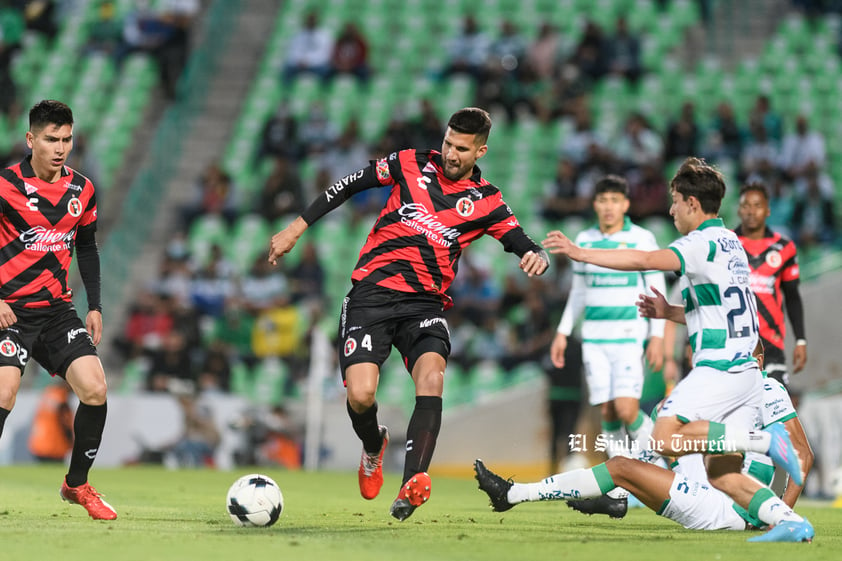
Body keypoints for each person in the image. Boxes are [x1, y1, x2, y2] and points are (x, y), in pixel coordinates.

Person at [268, 107, 549, 521]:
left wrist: (533, 253)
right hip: (371, 295)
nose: (451, 153)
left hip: (424, 304)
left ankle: (410, 483)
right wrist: (296, 227)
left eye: (462, 149)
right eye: (449, 143)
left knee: (432, 378)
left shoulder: (486, 201)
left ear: (481, 151)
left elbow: (518, 238)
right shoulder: (409, 162)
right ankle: (372, 445)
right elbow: (348, 185)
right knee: (361, 395)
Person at [541, 157, 813, 542]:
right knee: (721, 473)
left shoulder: (698, 242)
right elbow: (724, 306)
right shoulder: (732, 242)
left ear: (692, 204)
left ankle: (767, 442)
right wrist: (670, 313)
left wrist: (581, 253)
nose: (670, 209)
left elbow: (645, 259)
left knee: (665, 436)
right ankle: (789, 521)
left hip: (720, 366)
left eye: (675, 201)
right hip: (744, 365)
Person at [473, 344, 815, 540]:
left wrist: (779, 515)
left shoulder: (767, 388)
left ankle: (514, 495)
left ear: (757, 362)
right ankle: (617, 495)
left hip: (728, 508)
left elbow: (802, 454)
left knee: (624, 465)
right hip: (707, 476)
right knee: (668, 423)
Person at [0, 100, 116, 520]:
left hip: (56, 311)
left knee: (96, 388)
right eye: (51, 139)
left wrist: (96, 305)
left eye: (66, 139)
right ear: (31, 139)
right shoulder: (4, 186)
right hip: (8, 312)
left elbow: (86, 247)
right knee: (4, 391)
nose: (60, 147)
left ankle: (77, 485)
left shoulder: (81, 189)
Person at [551, 175, 666, 459]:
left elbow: (657, 289)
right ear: (595, 204)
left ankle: (662, 462)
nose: (609, 207)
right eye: (603, 200)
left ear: (626, 204)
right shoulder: (584, 240)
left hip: (628, 335)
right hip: (594, 338)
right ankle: (620, 482)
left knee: (627, 408)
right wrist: (563, 332)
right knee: (607, 409)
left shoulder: (642, 238)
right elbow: (579, 293)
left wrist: (657, 336)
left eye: (615, 200)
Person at [735, 182, 807, 388]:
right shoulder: (728, 243)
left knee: (777, 409)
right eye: (746, 205)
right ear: (739, 209)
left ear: (767, 210)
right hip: (735, 341)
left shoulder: (785, 248)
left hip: (771, 342)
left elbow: (792, 296)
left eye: (757, 205)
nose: (751, 211)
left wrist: (801, 339)